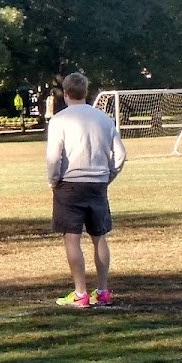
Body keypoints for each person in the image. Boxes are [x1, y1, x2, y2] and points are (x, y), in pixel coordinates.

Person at [46, 72, 127, 308]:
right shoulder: (104, 119)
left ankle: (80, 292)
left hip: (69, 184)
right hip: (98, 183)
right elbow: (120, 156)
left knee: (72, 239)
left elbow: (54, 157)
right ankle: (102, 290)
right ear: (86, 91)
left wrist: (53, 182)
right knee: (99, 237)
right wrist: (108, 176)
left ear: (66, 92)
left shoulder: (59, 120)